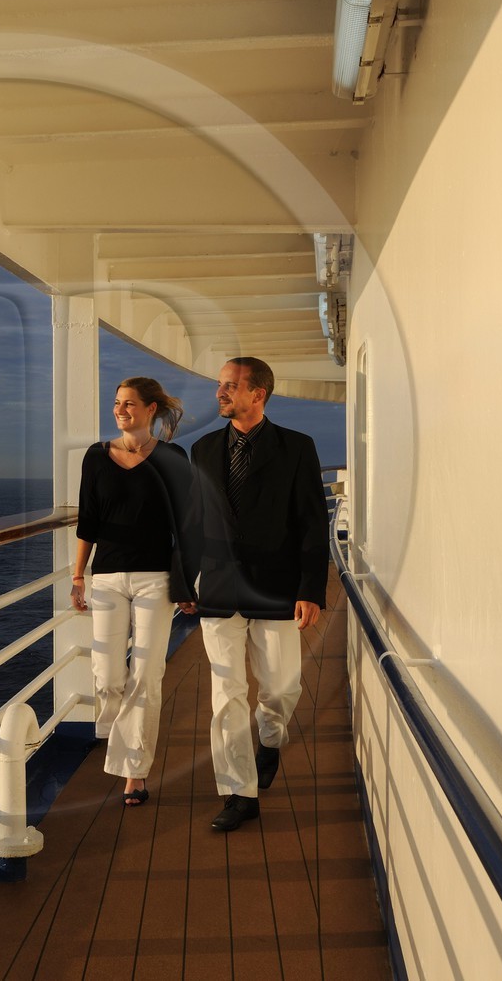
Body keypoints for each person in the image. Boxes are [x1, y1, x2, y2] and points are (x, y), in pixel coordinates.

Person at [190, 357, 328, 832]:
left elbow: (312, 522)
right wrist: (184, 579)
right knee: (226, 695)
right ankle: (237, 792)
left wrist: (312, 588)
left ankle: (270, 740)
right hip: (218, 587)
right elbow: (194, 522)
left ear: (258, 393)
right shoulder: (204, 449)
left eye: (230, 386)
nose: (220, 393)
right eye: (220, 386)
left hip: (276, 586)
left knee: (281, 687)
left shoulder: (296, 448)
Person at [70, 377, 197, 807]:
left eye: (129, 404)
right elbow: (88, 520)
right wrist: (76, 575)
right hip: (106, 577)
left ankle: (134, 773)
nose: (120, 410)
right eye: (117, 403)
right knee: (107, 674)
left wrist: (189, 580)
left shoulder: (172, 457)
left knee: (146, 674)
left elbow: (186, 523)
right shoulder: (96, 456)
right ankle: (119, 734)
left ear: (151, 409)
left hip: (155, 579)